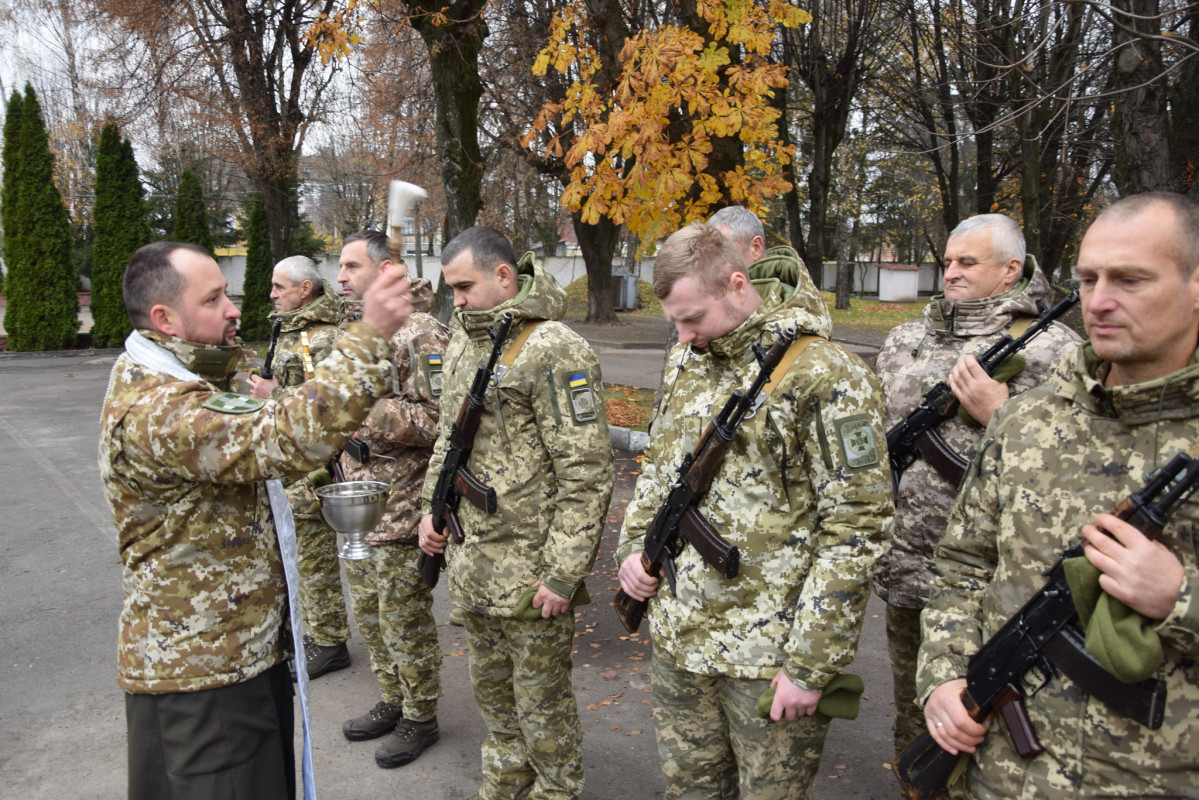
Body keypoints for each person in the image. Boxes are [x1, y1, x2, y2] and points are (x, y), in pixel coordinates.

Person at [98, 241, 415, 800]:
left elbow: (264, 409)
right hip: (201, 679)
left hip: (238, 654)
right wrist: (369, 335)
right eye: (213, 299)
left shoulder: (185, 374)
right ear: (164, 319)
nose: (234, 310)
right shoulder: (157, 407)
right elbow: (288, 437)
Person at [917, 192, 1199, 797]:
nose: (1099, 301)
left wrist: (1180, 598)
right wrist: (942, 677)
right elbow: (963, 565)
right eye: (1089, 279)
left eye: (1130, 280)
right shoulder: (1028, 419)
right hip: (1003, 775)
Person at [615, 222, 893, 800]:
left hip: (768, 657)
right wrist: (632, 553)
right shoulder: (688, 359)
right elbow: (660, 471)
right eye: (674, 323)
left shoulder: (826, 374)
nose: (683, 336)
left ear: (738, 285)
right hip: (680, 640)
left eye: (693, 318)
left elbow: (857, 528)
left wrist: (810, 666)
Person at [871, 213, 1081, 755]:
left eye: (968, 262)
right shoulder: (906, 340)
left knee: (992, 727)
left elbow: (1078, 474)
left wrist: (1001, 415)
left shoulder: (1055, 350)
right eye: (947, 262)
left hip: (995, 580)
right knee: (915, 716)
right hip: (907, 568)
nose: (951, 273)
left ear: (1010, 270)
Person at [417, 225, 614, 800]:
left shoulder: (554, 348)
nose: (455, 301)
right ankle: (505, 781)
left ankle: (556, 789)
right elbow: (448, 441)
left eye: (464, 287)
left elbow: (586, 471)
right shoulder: (464, 340)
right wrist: (431, 510)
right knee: (494, 696)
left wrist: (563, 572)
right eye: (451, 290)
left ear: (503, 275)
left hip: (531, 571)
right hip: (472, 558)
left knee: (541, 704)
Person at [333, 231, 451, 768]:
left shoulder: (422, 333)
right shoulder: (355, 331)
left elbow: (439, 420)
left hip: (402, 506)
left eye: (351, 266)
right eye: (340, 266)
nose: (340, 277)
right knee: (370, 614)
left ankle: (420, 716)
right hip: (359, 502)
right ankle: (393, 698)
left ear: (385, 270)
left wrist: (366, 406)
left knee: (403, 618)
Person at [247, 255, 353, 680]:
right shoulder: (289, 328)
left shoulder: (323, 338)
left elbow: (327, 407)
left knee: (313, 559)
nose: (272, 294)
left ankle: (329, 642)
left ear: (304, 290)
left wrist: (273, 393)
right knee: (296, 557)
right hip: (285, 461)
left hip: (311, 469)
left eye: (279, 287)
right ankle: (313, 632)